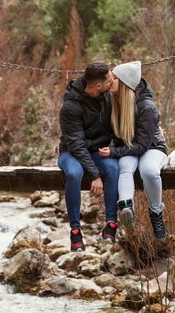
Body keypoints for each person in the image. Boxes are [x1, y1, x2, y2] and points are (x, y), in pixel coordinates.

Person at [99, 61, 168, 241]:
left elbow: (142, 146)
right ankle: (126, 207)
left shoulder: (146, 107)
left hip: (151, 148)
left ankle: (156, 213)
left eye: (114, 78)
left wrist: (113, 152)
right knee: (125, 167)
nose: (109, 81)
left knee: (149, 171)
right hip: (129, 149)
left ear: (124, 83)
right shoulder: (112, 100)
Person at [58, 61, 120, 252]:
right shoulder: (70, 107)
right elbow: (75, 144)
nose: (113, 83)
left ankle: (111, 225)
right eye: (110, 80)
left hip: (94, 150)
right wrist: (94, 175)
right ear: (98, 85)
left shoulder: (107, 98)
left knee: (113, 168)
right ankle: (75, 231)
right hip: (70, 152)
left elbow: (109, 133)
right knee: (74, 174)